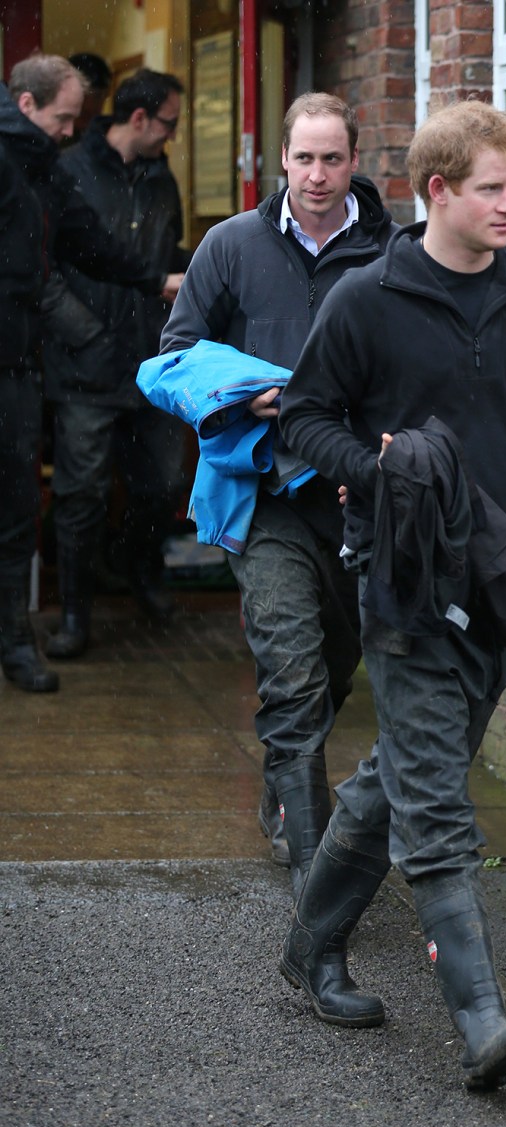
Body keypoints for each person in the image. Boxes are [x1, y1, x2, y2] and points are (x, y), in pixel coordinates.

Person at [277, 99, 506, 1090]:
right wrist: (374, 470)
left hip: (498, 575)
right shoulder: (367, 296)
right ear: (439, 192)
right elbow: (302, 419)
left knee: (396, 775)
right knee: (433, 798)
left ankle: (309, 951)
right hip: (398, 578)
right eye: (493, 189)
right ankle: (480, 1020)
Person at [156, 92, 397, 890]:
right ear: (281, 160)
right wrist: (247, 393)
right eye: (304, 159)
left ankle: (282, 783)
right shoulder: (231, 246)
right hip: (264, 493)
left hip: (358, 497)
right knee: (290, 666)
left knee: (335, 663)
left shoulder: (394, 254)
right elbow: (177, 354)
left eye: (333, 159)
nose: (318, 175)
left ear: (354, 160)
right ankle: (311, 857)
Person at [0, 53, 172, 693]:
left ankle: (17, 643)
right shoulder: (23, 163)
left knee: (20, 511)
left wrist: (155, 280)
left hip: (20, 366)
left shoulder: (44, 166)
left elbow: (86, 243)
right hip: (36, 358)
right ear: (27, 107)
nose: (74, 130)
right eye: (65, 117)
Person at [43, 68, 189, 661]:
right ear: (138, 119)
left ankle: (139, 574)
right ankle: (75, 613)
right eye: (169, 123)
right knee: (81, 493)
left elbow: (163, 253)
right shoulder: (70, 171)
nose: (173, 136)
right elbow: (51, 262)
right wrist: (87, 333)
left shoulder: (162, 179)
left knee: (162, 483)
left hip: (150, 361)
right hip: (86, 362)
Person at [68, 52, 112, 141]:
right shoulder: (54, 134)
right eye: (97, 96)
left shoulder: (104, 135)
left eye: (101, 96)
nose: (97, 105)